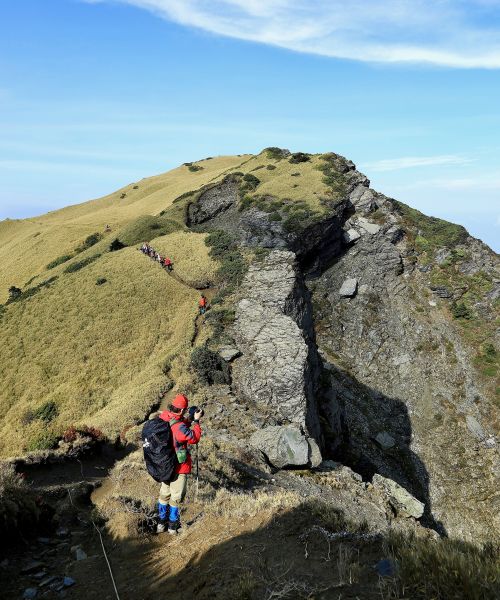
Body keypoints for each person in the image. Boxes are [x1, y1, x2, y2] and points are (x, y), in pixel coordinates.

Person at [156, 394, 203, 534]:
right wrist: (196, 422)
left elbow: (177, 425)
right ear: (182, 410)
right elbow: (193, 438)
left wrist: (187, 420)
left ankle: (160, 524)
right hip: (178, 466)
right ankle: (172, 527)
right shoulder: (180, 427)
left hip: (164, 464)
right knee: (176, 498)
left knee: (164, 494)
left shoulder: (164, 417)